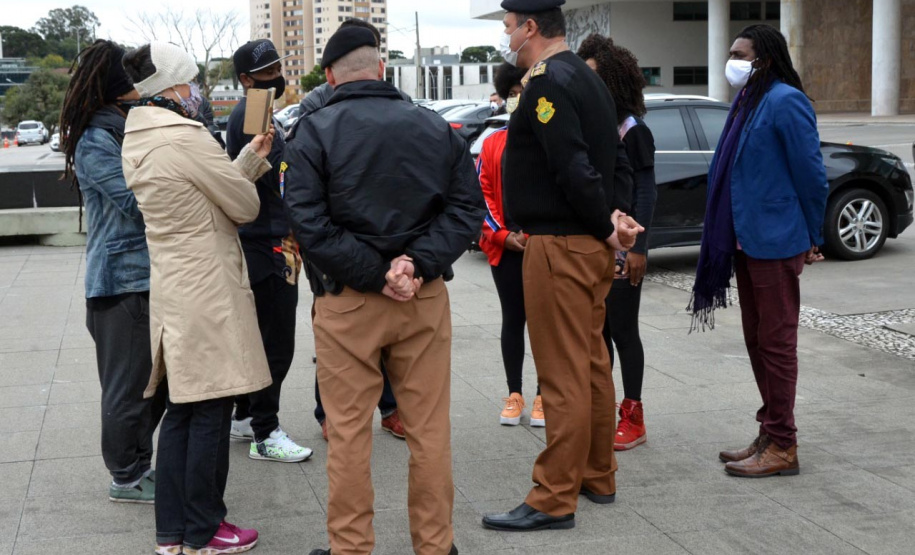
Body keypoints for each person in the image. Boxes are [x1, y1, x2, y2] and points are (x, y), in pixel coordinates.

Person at [283, 26, 484, 555]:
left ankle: (350, 547)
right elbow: (467, 210)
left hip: (348, 300)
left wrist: (376, 274)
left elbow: (309, 224)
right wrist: (413, 266)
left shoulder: (313, 131)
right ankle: (436, 545)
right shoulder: (433, 127)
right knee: (430, 429)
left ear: (329, 76)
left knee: (348, 432)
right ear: (380, 69)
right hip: (422, 296)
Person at [482, 0, 643, 533]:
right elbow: (614, 161)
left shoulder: (546, 80)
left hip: (560, 246)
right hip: (587, 246)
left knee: (562, 373)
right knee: (593, 364)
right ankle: (599, 473)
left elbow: (571, 163)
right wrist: (614, 218)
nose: (506, 34)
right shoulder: (586, 76)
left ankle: (553, 497)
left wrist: (602, 223)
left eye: (508, 25)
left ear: (530, 27)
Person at [122, 42, 275, 555]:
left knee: (185, 411)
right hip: (208, 286)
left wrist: (240, 163)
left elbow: (201, 193)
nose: (196, 93)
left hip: (174, 284)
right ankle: (207, 528)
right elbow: (242, 204)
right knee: (212, 407)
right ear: (170, 87)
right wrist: (250, 165)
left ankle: (174, 532)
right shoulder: (185, 137)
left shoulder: (139, 135)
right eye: (189, 83)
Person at [688, 24, 828, 478]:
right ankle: (770, 430)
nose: (732, 60)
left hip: (777, 237)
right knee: (757, 341)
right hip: (746, 239)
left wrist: (813, 235)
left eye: (739, 53)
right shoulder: (748, 101)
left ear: (764, 58)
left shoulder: (785, 100)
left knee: (777, 344)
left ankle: (784, 446)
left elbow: (810, 173)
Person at [60, 39, 167, 505]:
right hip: (119, 285)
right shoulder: (96, 139)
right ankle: (126, 474)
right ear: (117, 86)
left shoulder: (127, 126)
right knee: (127, 390)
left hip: (150, 277)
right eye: (133, 80)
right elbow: (133, 201)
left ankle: (140, 464)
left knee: (155, 385)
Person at [293, 17, 407, 443]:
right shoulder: (314, 105)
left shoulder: (400, 99)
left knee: (391, 333)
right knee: (334, 337)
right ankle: (329, 411)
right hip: (334, 244)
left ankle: (391, 407)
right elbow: (303, 189)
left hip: (388, 235)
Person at [226, 39, 313, 463]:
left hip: (271, 239)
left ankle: (246, 417)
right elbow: (257, 175)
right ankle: (265, 430)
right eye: (266, 72)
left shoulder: (259, 110)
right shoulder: (253, 112)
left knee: (265, 337)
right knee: (274, 344)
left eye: (279, 66)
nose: (277, 76)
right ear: (245, 80)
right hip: (267, 242)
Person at [577, 33, 657, 451]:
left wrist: (638, 249)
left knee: (624, 331)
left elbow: (647, 191)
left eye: (594, 77)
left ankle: (634, 414)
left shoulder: (631, 128)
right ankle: (604, 409)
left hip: (625, 247)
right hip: (597, 246)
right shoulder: (596, 124)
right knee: (600, 332)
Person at [477, 62, 544, 427]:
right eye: (512, 95)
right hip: (505, 248)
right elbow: (482, 194)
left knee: (543, 323)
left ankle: (543, 395)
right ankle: (514, 393)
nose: (517, 100)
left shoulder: (546, 139)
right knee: (513, 319)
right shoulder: (492, 142)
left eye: (524, 94)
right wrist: (503, 235)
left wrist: (532, 237)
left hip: (542, 247)